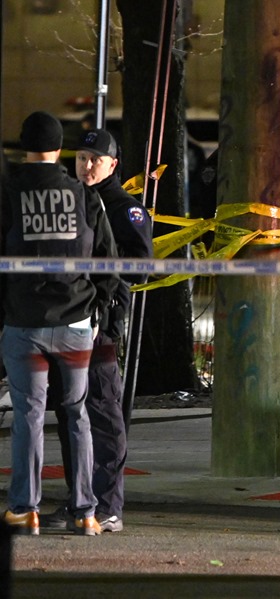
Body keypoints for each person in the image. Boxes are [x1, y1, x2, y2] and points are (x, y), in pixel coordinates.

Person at [0, 111, 118, 536]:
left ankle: (24, 508)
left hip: (24, 323)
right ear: (59, 149)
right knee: (77, 414)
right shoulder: (84, 195)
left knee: (28, 416)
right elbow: (109, 260)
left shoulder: (9, 193)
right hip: (77, 323)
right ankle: (86, 511)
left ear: (24, 145)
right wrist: (96, 306)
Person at [42, 129, 153, 533]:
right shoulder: (67, 200)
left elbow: (141, 262)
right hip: (65, 322)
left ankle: (106, 506)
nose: (87, 166)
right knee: (71, 414)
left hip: (102, 325)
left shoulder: (124, 208)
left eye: (95, 159)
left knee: (102, 415)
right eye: (81, 158)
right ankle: (79, 502)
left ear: (112, 164)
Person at [193, 149, 280, 412]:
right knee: (248, 325)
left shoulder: (274, 161)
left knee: (276, 326)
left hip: (274, 256)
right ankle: (256, 390)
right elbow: (204, 208)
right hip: (242, 259)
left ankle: (277, 390)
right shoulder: (224, 162)